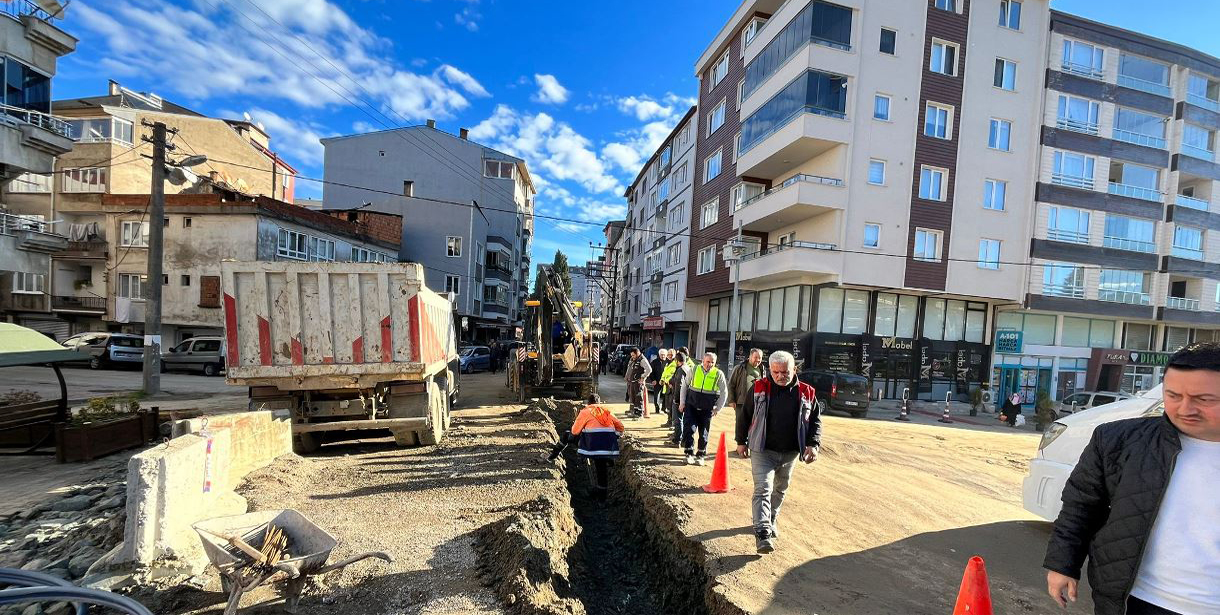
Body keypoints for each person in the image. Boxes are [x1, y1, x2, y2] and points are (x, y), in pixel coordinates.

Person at [1044, 342, 1220, 615]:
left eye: (1203, 399)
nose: (1185, 409)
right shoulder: (1118, 441)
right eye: (1173, 395)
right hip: (1136, 600)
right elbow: (1081, 506)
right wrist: (1062, 564)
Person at [735, 350, 820, 554]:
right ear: (770, 371)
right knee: (763, 489)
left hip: (790, 451)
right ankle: (762, 533)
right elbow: (744, 416)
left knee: (780, 489)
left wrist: (813, 444)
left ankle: (771, 519)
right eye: (776, 372)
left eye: (785, 372)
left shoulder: (807, 392)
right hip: (762, 449)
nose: (781, 376)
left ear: (794, 369)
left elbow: (816, 422)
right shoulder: (758, 388)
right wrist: (741, 441)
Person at [545, 394, 625, 499]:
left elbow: (574, 431)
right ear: (599, 403)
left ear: (588, 403)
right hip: (608, 447)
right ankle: (601, 500)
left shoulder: (585, 412)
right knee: (601, 470)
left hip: (591, 446)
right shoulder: (607, 411)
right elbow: (621, 428)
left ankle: (552, 456)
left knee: (567, 434)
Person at [678, 352, 728, 465]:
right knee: (689, 429)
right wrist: (682, 402)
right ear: (702, 361)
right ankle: (689, 453)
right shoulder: (694, 370)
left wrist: (718, 408)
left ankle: (700, 455)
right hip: (691, 405)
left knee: (704, 432)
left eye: (712, 362)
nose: (709, 364)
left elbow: (724, 392)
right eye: (707, 362)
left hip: (707, 408)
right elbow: (685, 386)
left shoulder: (718, 374)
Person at [728, 349, 765, 455]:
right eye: (755, 357)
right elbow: (731, 385)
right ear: (750, 357)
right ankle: (740, 444)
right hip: (742, 402)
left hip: (758, 402)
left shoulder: (763, 369)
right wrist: (731, 400)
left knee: (755, 424)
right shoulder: (739, 368)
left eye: (760, 358)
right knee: (741, 423)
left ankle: (751, 445)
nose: (757, 360)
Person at [666, 352, 691, 446]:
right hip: (686, 399)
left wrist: (677, 400)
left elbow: (679, 386)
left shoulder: (681, 370)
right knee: (684, 420)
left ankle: (677, 440)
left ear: (677, 360)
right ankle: (683, 439)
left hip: (679, 399)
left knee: (678, 420)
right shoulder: (688, 368)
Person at [624, 347, 651, 420]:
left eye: (633, 355)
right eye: (631, 355)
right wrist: (627, 377)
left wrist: (642, 377)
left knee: (639, 398)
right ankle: (635, 412)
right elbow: (629, 368)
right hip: (632, 382)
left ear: (637, 353)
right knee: (633, 398)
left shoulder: (642, 360)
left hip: (638, 383)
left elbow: (649, 370)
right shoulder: (633, 359)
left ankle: (640, 414)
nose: (632, 357)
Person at [649, 349, 667, 416]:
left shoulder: (668, 362)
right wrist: (653, 380)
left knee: (666, 396)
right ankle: (657, 408)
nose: (662, 356)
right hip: (657, 381)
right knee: (656, 396)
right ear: (659, 355)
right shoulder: (654, 362)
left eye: (664, 355)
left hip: (666, 382)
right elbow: (651, 372)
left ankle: (664, 408)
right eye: (661, 355)